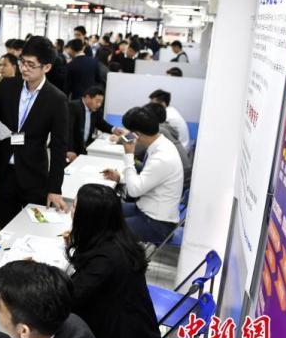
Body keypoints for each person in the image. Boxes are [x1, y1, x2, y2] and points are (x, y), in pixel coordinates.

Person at [64, 184, 161, 338]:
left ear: (89, 217)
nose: (71, 212)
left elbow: (71, 297)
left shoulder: (107, 258)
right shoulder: (117, 237)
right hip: (137, 331)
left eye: (75, 207)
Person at [0, 36, 68, 227]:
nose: (24, 68)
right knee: (7, 228)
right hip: (4, 174)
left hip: (34, 177)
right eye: (22, 62)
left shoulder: (56, 99)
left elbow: (59, 146)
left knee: (33, 229)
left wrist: (55, 188)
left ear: (46, 67)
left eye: (31, 64)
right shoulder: (6, 86)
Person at [103, 107, 183, 244]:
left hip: (157, 224)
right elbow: (147, 179)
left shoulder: (162, 157)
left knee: (107, 230)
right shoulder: (160, 143)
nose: (127, 134)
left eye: (129, 132)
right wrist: (120, 178)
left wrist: (129, 154)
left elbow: (134, 191)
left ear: (137, 134)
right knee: (103, 208)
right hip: (144, 209)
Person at [143, 102, 192, 191]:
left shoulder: (158, 131)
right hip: (182, 174)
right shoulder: (166, 127)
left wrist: (121, 138)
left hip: (176, 181)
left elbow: (136, 148)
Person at [66, 86, 122, 162]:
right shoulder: (73, 106)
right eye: (97, 101)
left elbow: (101, 123)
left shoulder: (95, 109)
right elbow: (68, 130)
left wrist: (114, 129)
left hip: (84, 147)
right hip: (71, 149)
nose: (99, 104)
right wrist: (69, 150)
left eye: (101, 102)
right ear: (88, 98)